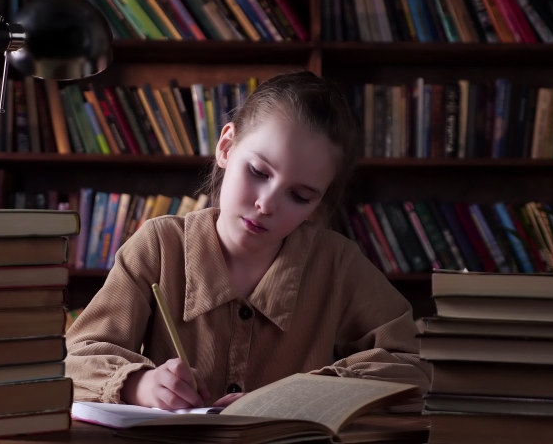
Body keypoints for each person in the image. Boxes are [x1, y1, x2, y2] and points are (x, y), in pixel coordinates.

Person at [65, 70, 431, 412]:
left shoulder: (338, 264)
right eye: (258, 172)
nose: (266, 204)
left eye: (300, 196)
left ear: (319, 204)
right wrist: (139, 384)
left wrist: (306, 393)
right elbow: (75, 360)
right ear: (226, 147)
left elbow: (412, 365)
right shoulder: (160, 246)